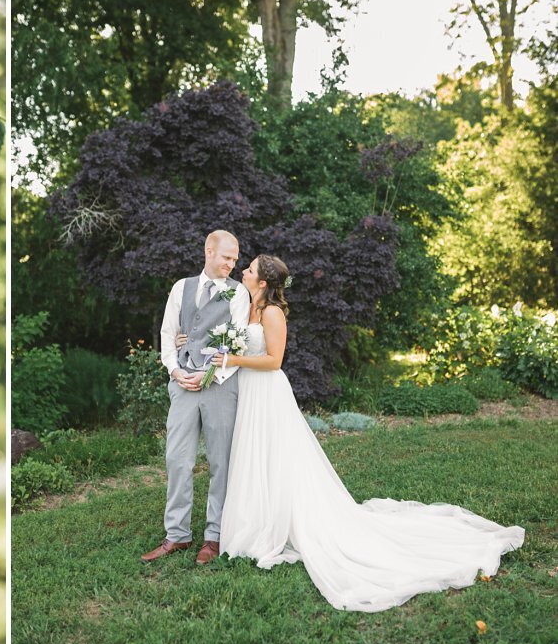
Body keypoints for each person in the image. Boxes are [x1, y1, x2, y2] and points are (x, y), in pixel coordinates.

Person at [213, 254, 525, 612]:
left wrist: (233, 359)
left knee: (275, 456)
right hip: (249, 392)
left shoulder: (272, 313)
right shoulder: (246, 307)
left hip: (267, 392)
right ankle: (258, 518)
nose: (244, 272)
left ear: (263, 283)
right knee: (255, 456)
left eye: (250, 269)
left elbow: (274, 361)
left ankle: (279, 520)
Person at [142, 230, 252, 565]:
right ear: (209, 251)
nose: (232, 265)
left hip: (220, 385)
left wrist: (209, 375)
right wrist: (176, 373)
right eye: (227, 258)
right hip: (183, 384)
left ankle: (213, 536)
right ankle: (176, 535)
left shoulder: (238, 293)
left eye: (235, 260)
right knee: (177, 459)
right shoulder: (181, 287)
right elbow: (167, 334)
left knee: (220, 462)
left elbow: (239, 342)